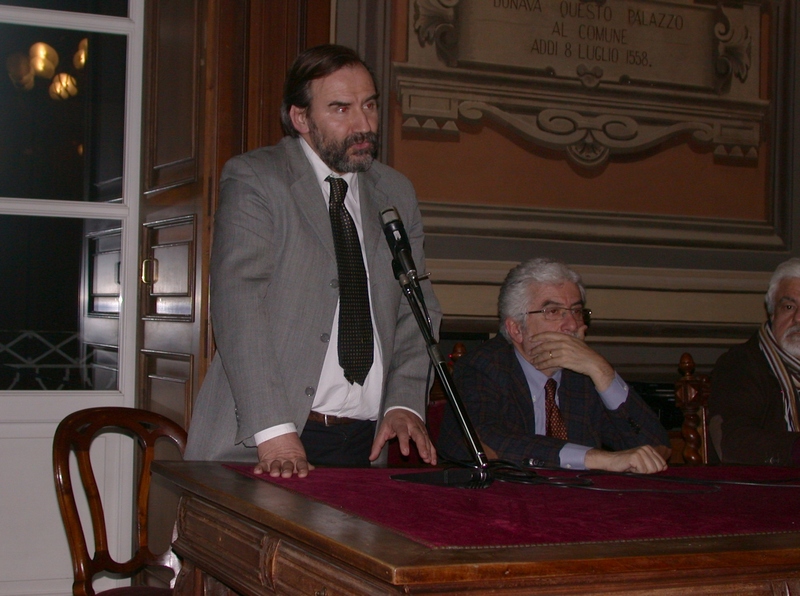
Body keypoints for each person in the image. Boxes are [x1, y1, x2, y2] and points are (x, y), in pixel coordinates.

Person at [184, 44, 442, 477]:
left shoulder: (395, 192)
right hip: (267, 439)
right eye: (341, 109)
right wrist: (274, 432)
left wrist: (403, 403)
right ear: (301, 118)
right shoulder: (257, 179)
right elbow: (237, 305)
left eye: (370, 105)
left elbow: (418, 308)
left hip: (364, 444)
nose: (363, 125)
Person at [437, 258, 671, 473]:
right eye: (554, 311)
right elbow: (491, 442)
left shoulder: (583, 373)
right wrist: (599, 459)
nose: (571, 324)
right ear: (516, 329)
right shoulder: (482, 367)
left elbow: (655, 446)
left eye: (577, 311)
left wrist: (602, 371)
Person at [708, 258, 800, 466]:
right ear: (772, 312)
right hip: (765, 492)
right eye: (789, 306)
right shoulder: (740, 364)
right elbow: (733, 442)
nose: (798, 318)